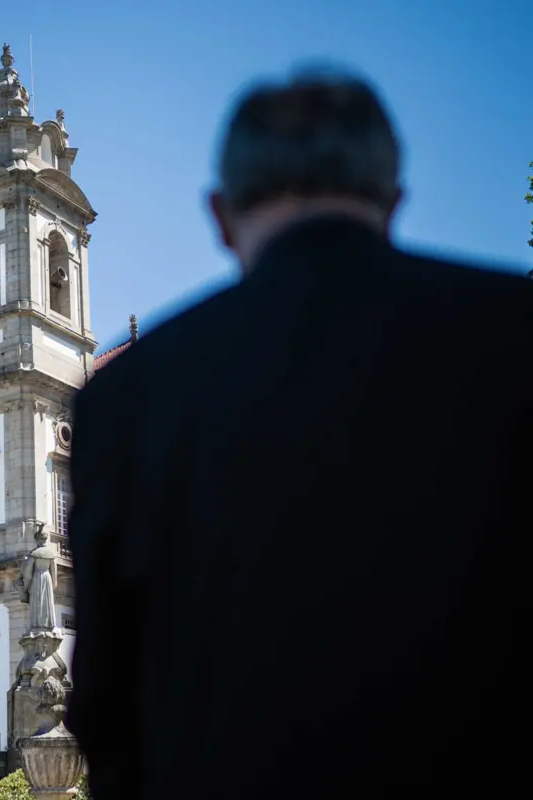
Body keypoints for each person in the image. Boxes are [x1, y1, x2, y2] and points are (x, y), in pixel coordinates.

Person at [66, 68, 533, 798]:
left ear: (220, 215)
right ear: (394, 200)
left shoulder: (128, 397)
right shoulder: (515, 335)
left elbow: (103, 700)